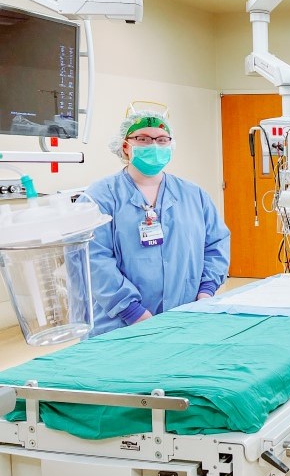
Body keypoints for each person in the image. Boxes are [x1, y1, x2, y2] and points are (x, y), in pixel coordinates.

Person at [81, 103, 231, 337]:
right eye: (143, 138)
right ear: (125, 146)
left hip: (186, 316)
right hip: (120, 324)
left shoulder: (194, 195)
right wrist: (133, 312)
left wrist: (206, 291)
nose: (154, 145)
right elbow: (93, 260)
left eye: (162, 139)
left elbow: (216, 244)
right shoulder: (99, 197)